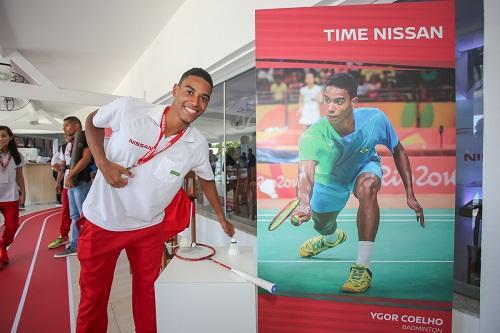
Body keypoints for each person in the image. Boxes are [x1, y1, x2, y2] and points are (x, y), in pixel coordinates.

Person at [79, 68, 234, 333]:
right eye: (189, 91)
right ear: (175, 90)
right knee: (94, 298)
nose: (196, 102)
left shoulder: (196, 143)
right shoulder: (130, 110)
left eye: (204, 98)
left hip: (148, 228)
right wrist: (103, 164)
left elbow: (206, 179)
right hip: (104, 222)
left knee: (149, 296)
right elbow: (92, 121)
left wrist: (221, 216)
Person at [292, 73, 424, 293]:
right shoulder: (312, 135)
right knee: (321, 224)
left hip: (362, 169)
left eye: (339, 101)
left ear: (353, 102)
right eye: (327, 100)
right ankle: (330, 238)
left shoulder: (374, 119)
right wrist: (304, 203)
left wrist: (409, 193)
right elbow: (306, 174)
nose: (331, 107)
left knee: (368, 186)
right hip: (329, 180)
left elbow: (398, 149)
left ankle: (363, 266)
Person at [53, 117, 93, 258]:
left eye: (66, 126)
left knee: (83, 215)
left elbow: (86, 159)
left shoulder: (85, 138)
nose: (64, 129)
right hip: (70, 183)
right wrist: (62, 168)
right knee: (75, 215)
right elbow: (70, 163)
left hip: (81, 181)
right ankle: (77, 245)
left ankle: (85, 244)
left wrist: (71, 175)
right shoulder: (68, 144)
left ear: (76, 125)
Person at [0, 126, 26, 268]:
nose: (0, 138)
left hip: (11, 196)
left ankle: (2, 246)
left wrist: (23, 191)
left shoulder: (17, 156)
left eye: (3, 135)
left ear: (10, 137)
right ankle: (1, 253)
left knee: (12, 226)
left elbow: (20, 176)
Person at [47, 134, 72, 249]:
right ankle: (63, 235)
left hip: (81, 183)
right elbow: (63, 165)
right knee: (65, 211)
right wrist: (58, 182)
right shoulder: (63, 147)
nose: (66, 134)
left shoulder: (84, 145)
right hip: (67, 185)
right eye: (64, 131)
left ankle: (82, 238)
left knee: (82, 213)